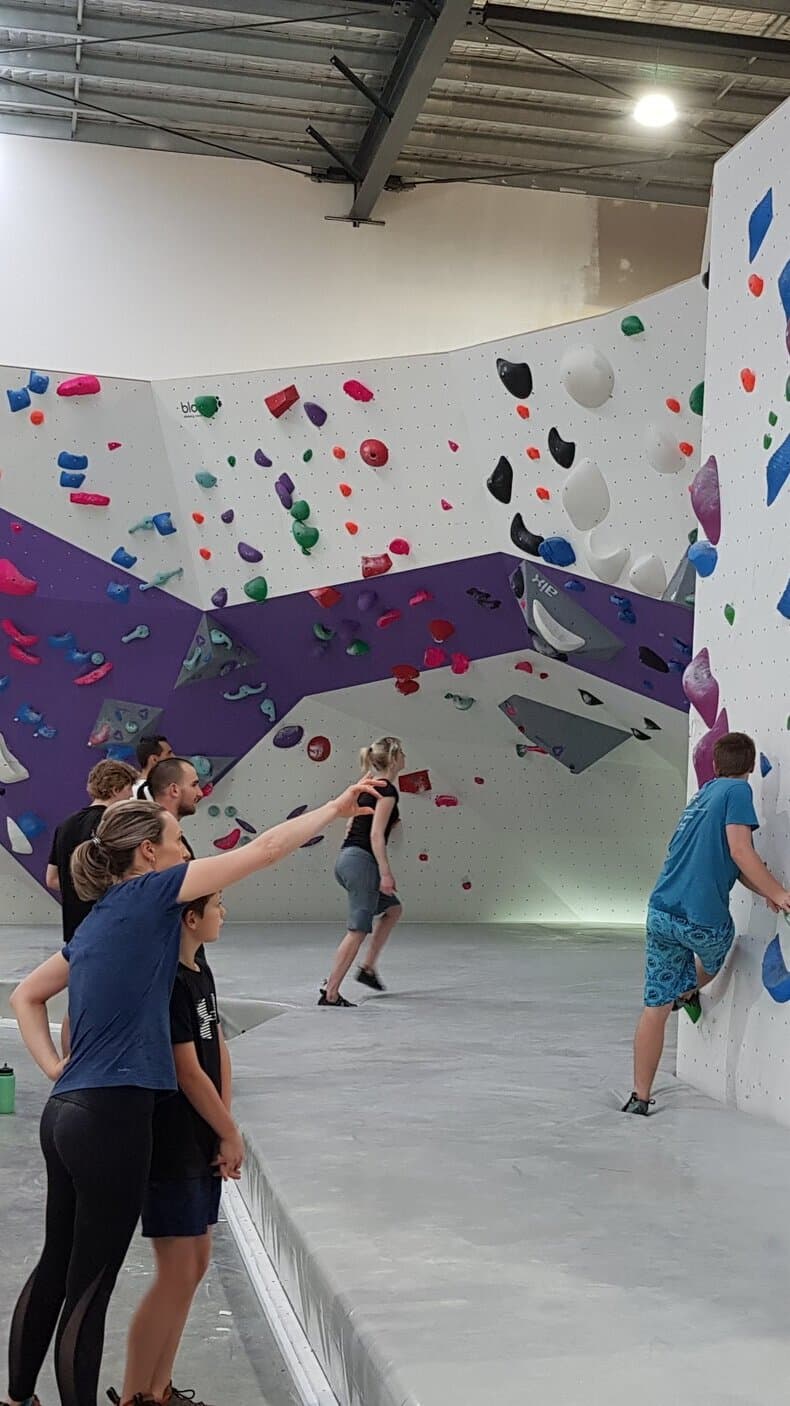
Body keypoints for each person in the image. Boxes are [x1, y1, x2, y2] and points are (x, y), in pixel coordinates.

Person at [6, 775, 385, 1406]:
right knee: (91, 1284)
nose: (190, 855)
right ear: (149, 854)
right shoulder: (152, 894)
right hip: (113, 1115)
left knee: (57, 1266)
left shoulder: (99, 920)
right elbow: (263, 852)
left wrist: (55, 1071)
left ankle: (16, 1398)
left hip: (66, 1112)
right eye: (180, 842)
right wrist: (336, 807)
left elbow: (26, 994)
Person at [623, 732, 790, 1115]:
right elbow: (740, 850)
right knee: (717, 951)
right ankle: (686, 990)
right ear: (749, 768)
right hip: (701, 919)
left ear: (715, 765)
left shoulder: (703, 797)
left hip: (661, 912)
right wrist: (779, 894)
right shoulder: (737, 792)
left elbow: (730, 860)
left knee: (654, 1008)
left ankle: (639, 1097)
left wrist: (762, 886)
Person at [117, 891, 231, 1406]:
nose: (223, 914)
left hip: (202, 1133)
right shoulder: (167, 983)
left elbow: (217, 1049)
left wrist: (224, 1124)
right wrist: (226, 1130)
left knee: (198, 1261)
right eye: (218, 905)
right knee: (176, 1269)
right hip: (171, 1140)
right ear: (191, 917)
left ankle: (159, 1389)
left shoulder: (199, 969)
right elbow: (186, 1070)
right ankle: (138, 1391)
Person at [320, 737, 405, 1007]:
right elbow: (376, 835)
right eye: (401, 753)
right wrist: (385, 873)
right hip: (362, 863)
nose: (405, 757)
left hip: (348, 860)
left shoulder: (368, 785)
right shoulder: (387, 790)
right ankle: (330, 992)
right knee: (358, 929)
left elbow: (351, 828)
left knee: (393, 909)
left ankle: (367, 969)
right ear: (393, 759)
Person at [46, 760, 138, 941]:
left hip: (75, 930)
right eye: (128, 789)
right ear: (115, 789)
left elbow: (52, 879)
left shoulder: (64, 825)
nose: (131, 796)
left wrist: (78, 892)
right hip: (110, 926)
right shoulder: (114, 825)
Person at [147, 757, 203, 860]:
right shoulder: (156, 837)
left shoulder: (170, 835)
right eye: (194, 785)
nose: (200, 793)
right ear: (174, 790)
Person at [133, 735, 174, 800]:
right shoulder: (145, 791)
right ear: (154, 759)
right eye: (169, 753)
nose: (174, 757)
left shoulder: (132, 788)